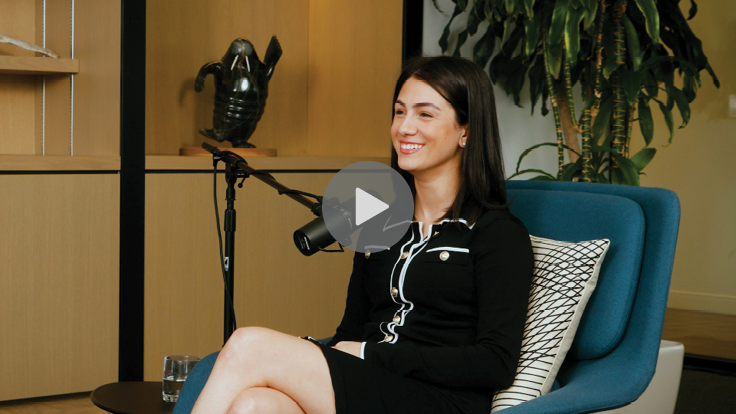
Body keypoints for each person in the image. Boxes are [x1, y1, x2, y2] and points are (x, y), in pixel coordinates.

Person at [190, 56, 533, 414]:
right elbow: (351, 331)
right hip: (371, 384)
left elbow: (495, 362)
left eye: (425, 114)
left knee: (248, 344)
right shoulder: (379, 218)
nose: (405, 127)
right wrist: (324, 352)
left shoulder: (497, 234)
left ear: (466, 130)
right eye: (399, 112)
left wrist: (371, 353)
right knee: (255, 404)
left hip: (439, 399)